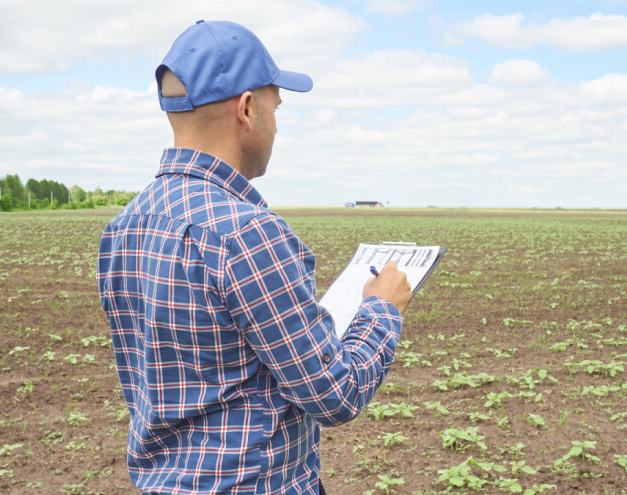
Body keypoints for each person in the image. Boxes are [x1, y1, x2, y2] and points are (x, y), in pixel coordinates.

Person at [96, 20, 412, 494]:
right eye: (275, 106)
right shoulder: (249, 233)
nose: (277, 122)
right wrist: (381, 311)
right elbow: (334, 395)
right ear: (247, 108)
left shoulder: (124, 226)